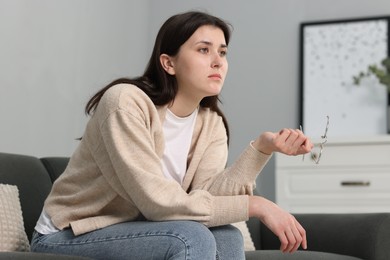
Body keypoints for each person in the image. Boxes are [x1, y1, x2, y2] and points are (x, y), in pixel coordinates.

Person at [31, 10, 313, 260]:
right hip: (67, 234)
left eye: (223, 52)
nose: (218, 62)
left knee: (227, 235)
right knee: (191, 237)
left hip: (138, 228)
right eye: (204, 50)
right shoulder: (125, 103)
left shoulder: (211, 123)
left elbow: (205, 199)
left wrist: (261, 149)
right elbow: (157, 202)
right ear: (168, 63)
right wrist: (256, 205)